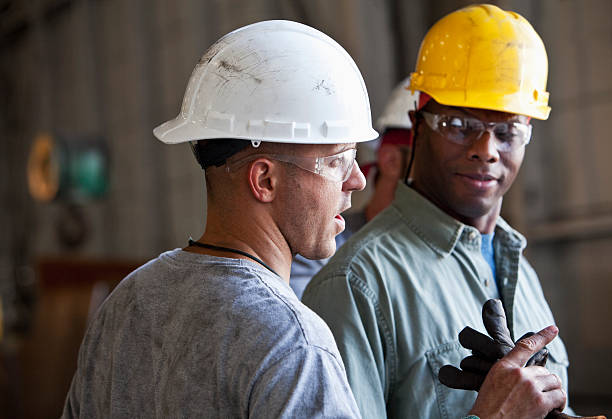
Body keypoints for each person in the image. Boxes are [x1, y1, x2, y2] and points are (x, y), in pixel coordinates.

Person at [63, 18, 565, 419]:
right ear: (264, 180)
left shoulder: (128, 300)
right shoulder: (292, 340)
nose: (357, 181)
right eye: (334, 160)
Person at [302, 4, 572, 419]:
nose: (485, 150)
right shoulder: (357, 286)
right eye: (458, 125)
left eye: (507, 132)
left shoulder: (515, 265)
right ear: (418, 126)